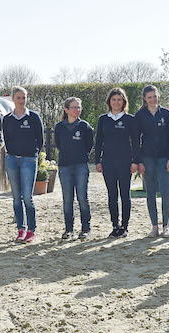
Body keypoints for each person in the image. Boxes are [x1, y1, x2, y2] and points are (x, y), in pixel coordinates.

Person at [95, 87, 139, 238]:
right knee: (112, 195)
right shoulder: (103, 119)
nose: (116, 102)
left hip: (125, 162)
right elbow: (98, 141)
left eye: (119, 99)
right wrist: (97, 161)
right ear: (109, 101)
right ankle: (115, 225)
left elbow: (135, 142)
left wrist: (135, 161)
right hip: (107, 162)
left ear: (124, 102)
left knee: (125, 194)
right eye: (113, 99)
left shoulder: (129, 119)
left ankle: (125, 227)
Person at [2, 86, 44, 244]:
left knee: (27, 197)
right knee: (16, 198)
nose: (21, 100)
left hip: (28, 160)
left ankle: (31, 230)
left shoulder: (33, 117)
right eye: (18, 97)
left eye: (24, 97)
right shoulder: (7, 119)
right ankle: (21, 229)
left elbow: (40, 140)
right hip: (12, 160)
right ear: (13, 99)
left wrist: (33, 154)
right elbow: (6, 137)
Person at [135, 85, 169, 237]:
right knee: (150, 192)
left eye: (154, 96)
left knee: (166, 192)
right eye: (149, 97)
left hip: (164, 158)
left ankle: (166, 226)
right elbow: (136, 139)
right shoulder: (140, 115)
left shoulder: (166, 113)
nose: (152, 99)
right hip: (147, 159)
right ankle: (154, 226)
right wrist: (139, 161)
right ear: (145, 99)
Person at [54, 97, 94, 240]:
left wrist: (81, 156)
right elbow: (58, 144)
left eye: (79, 107)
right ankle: (69, 229)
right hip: (64, 166)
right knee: (67, 199)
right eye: (74, 107)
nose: (77, 110)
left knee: (82, 198)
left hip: (81, 166)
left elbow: (89, 144)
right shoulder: (59, 127)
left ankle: (85, 229)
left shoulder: (85, 126)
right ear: (66, 110)